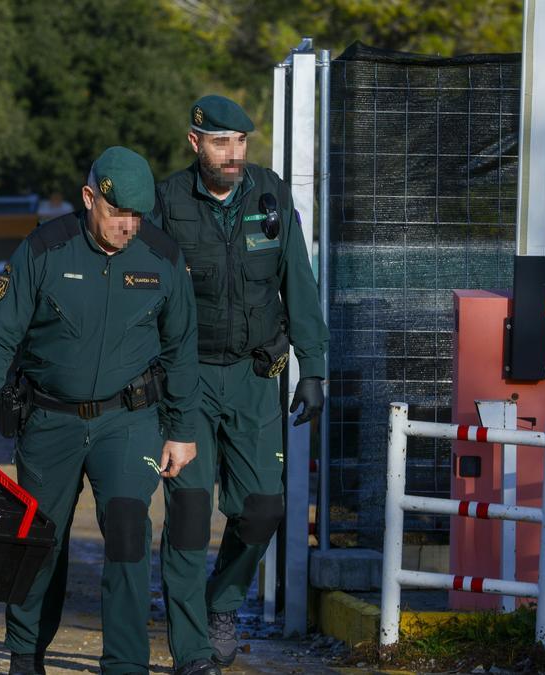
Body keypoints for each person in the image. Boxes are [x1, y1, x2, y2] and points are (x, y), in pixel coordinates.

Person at [0, 146, 200, 674]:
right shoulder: (44, 250)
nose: (128, 226)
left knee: (131, 531)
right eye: (117, 214)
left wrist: (182, 430)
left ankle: (126, 666)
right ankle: (25, 655)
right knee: (39, 540)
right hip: (50, 420)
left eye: (138, 215)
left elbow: (182, 348)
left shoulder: (162, 257)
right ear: (91, 198)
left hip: (128, 420)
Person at [148, 95, 329, 675]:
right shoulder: (167, 203)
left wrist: (314, 368)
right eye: (221, 142)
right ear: (195, 142)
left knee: (263, 509)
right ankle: (192, 649)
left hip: (256, 376)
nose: (233, 154)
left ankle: (221, 604)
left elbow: (297, 281)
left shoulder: (270, 194)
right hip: (188, 379)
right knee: (190, 513)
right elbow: (143, 294)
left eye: (242, 142)